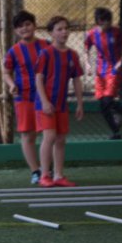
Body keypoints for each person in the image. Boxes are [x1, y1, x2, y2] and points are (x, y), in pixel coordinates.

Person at [35, 16, 84, 188]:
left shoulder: (72, 55)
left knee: (61, 139)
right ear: (51, 33)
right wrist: (44, 101)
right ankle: (44, 175)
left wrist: (80, 103)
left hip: (62, 104)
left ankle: (59, 175)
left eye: (66, 28)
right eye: (59, 29)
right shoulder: (46, 53)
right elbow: (39, 79)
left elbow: (77, 79)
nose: (64, 32)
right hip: (45, 104)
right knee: (49, 136)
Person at [3, 10, 48, 185]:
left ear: (35, 26)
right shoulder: (13, 51)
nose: (25, 28)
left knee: (49, 134)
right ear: (16, 31)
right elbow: (6, 72)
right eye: (20, 26)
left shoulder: (47, 45)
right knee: (28, 135)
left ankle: (47, 169)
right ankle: (35, 171)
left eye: (28, 24)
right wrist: (11, 84)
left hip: (45, 97)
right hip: (24, 97)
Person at [84, 7, 122, 139]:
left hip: (113, 70)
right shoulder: (91, 34)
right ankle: (118, 130)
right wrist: (87, 63)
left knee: (108, 100)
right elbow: (86, 49)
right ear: (98, 21)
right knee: (103, 105)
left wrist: (120, 62)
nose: (106, 24)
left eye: (108, 22)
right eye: (103, 22)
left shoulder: (116, 33)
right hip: (100, 72)